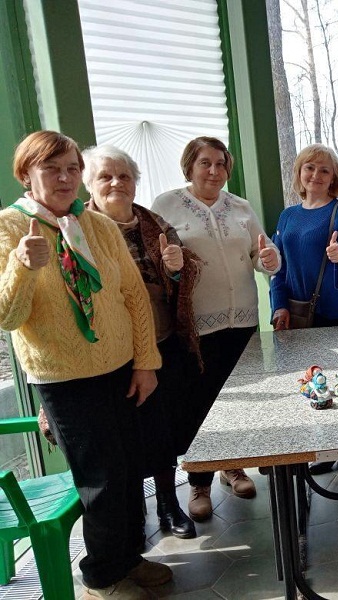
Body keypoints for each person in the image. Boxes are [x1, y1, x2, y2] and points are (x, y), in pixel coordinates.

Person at [1, 131, 170, 599]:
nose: (64, 177)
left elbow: (134, 296)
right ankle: (102, 575)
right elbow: (6, 317)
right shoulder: (9, 229)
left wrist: (145, 363)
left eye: (72, 168)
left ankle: (128, 556)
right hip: (65, 379)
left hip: (121, 368)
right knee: (100, 480)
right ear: (26, 175)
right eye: (51, 168)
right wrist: (21, 266)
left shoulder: (95, 225)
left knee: (129, 469)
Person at [152, 137, 281, 522]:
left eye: (221, 164)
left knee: (239, 405)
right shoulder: (166, 205)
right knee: (198, 404)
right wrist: (170, 265)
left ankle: (234, 467)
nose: (214, 171)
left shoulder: (240, 206)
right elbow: (158, 265)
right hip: (195, 328)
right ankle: (199, 482)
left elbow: (261, 254)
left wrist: (270, 258)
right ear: (189, 166)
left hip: (241, 321)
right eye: (205, 163)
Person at [83, 144, 201, 541]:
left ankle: (169, 505)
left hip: (162, 342)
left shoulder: (155, 224)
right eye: (105, 176)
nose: (117, 182)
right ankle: (131, 520)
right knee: (120, 441)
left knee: (162, 430)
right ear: (90, 185)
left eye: (125, 175)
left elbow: (183, 280)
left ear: (135, 182)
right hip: (110, 354)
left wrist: (177, 270)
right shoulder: (79, 230)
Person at [270, 143, 338, 478]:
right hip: (300, 316)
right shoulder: (287, 216)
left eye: (324, 170)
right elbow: (277, 268)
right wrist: (279, 305)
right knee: (316, 384)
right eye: (309, 168)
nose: (316, 175)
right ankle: (328, 448)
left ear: (333, 179)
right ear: (299, 173)